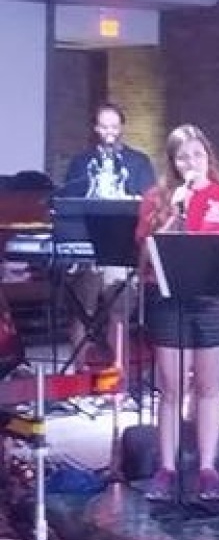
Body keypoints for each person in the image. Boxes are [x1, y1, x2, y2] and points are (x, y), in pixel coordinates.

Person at [137, 125, 219, 501]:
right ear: (172, 162)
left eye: (198, 155)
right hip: (168, 299)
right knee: (171, 388)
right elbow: (145, 255)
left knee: (208, 387)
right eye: (183, 157)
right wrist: (175, 213)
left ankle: (207, 467)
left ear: (208, 157)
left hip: (210, 300)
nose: (191, 163)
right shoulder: (157, 198)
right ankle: (166, 468)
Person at [60, 103, 157, 369]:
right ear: (96, 128)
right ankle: (78, 373)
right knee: (83, 310)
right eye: (104, 127)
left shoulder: (138, 162)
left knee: (119, 312)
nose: (110, 132)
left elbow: (150, 202)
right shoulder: (81, 162)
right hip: (88, 246)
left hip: (121, 246)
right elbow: (70, 201)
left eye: (114, 126)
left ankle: (118, 375)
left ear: (122, 127)